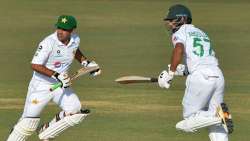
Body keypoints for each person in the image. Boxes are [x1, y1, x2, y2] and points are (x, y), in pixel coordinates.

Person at [7, 15, 101, 141]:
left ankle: (46, 132)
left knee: (75, 111)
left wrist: (86, 63)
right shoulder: (48, 43)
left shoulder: (75, 39)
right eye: (59, 28)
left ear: (72, 30)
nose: (60, 32)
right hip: (41, 86)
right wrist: (57, 75)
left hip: (61, 85)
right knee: (28, 123)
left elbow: (74, 50)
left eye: (65, 29)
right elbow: (35, 65)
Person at [158, 4, 233, 141]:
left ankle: (218, 116)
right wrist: (182, 70)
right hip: (217, 75)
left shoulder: (180, 33)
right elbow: (199, 59)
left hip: (201, 77)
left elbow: (179, 49)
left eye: (172, 20)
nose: (169, 23)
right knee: (215, 127)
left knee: (187, 123)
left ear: (182, 19)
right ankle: (218, 116)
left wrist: (170, 73)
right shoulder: (201, 32)